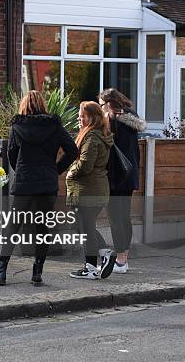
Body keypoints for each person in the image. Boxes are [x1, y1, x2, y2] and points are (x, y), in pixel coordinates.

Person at [0, 90, 77, 286]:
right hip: (47, 182)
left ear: (24, 105)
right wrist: (55, 169)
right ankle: (37, 273)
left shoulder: (18, 126)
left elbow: (11, 153)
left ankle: (0, 271)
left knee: (12, 227)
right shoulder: (55, 125)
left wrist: (21, 170)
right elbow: (72, 151)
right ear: (43, 104)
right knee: (42, 227)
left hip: (25, 181)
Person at [67, 101, 116, 280]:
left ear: (93, 118)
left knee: (85, 228)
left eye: (83, 115)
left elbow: (86, 165)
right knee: (81, 226)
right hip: (93, 188)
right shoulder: (97, 135)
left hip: (87, 190)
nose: (80, 118)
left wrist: (70, 171)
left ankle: (90, 268)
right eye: (80, 114)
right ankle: (105, 253)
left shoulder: (92, 137)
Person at [99, 89, 146, 273]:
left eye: (102, 105)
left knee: (115, 218)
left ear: (110, 104)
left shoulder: (112, 121)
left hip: (115, 176)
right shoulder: (131, 119)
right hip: (129, 175)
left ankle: (120, 260)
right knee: (124, 217)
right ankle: (124, 258)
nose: (101, 108)